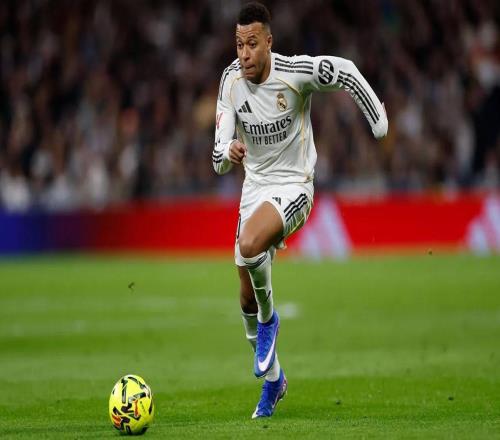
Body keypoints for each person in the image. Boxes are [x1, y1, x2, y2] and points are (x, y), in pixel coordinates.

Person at [212, 2, 388, 419]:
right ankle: (274, 381)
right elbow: (218, 155)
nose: (244, 54)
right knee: (244, 294)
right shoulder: (230, 81)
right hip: (254, 190)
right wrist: (228, 151)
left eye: (252, 44)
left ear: (269, 42)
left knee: (249, 245)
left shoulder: (294, 73)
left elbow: (345, 71)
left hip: (295, 187)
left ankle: (270, 320)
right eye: (239, 45)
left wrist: (377, 118)